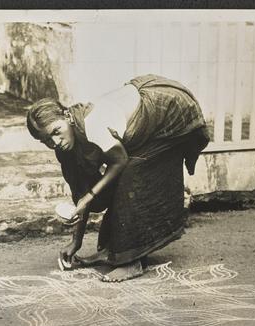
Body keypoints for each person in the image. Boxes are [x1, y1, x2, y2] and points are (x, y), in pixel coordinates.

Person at [26, 74, 209, 282]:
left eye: (56, 132)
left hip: (165, 109)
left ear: (67, 117)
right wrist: (75, 242)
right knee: (113, 182)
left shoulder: (92, 125)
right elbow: (82, 190)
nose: (55, 142)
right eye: (46, 140)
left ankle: (132, 261)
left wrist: (90, 197)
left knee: (132, 174)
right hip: (139, 111)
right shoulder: (66, 148)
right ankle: (113, 251)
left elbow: (119, 162)